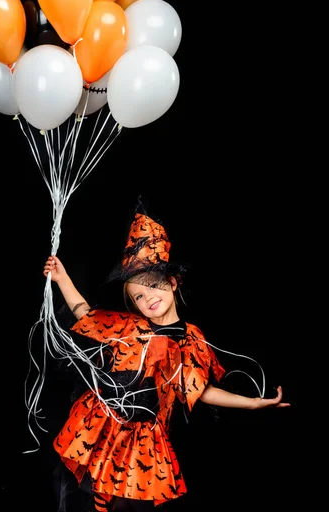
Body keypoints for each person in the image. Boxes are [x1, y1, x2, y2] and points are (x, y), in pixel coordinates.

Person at [42, 204, 290, 511]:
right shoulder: (128, 327)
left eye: (154, 287)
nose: (149, 299)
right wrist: (62, 278)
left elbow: (202, 390)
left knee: (131, 500)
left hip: (143, 439)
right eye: (139, 297)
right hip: (102, 426)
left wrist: (253, 402)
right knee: (94, 496)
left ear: (172, 283)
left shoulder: (190, 339)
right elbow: (85, 313)